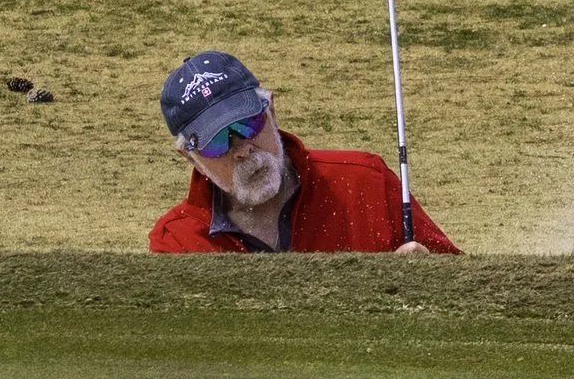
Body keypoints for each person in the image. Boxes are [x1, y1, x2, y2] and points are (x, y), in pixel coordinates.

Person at [149, 51, 460, 254]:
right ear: (191, 159)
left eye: (249, 123)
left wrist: (431, 276)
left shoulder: (365, 182)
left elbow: (470, 289)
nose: (242, 149)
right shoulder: (177, 243)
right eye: (217, 142)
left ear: (271, 110)